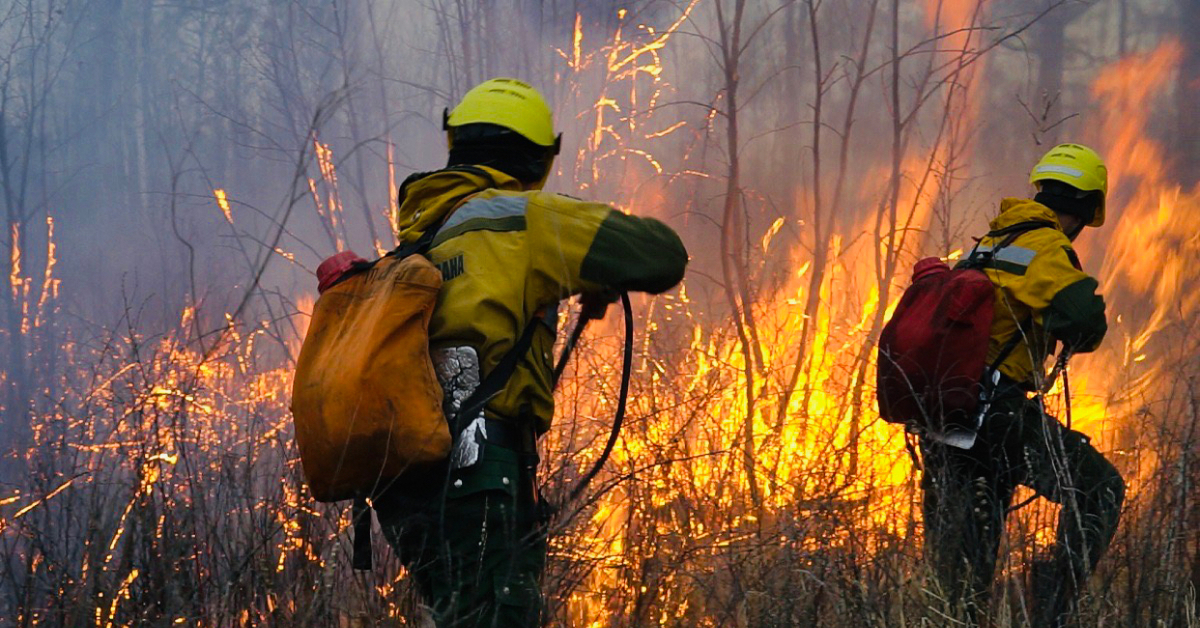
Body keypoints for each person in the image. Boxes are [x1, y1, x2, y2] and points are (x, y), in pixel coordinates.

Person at [371, 78, 688, 627]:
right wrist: (590, 265)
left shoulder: (421, 237)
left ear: (457, 145)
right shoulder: (522, 217)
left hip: (403, 483)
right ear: (538, 158)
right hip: (479, 468)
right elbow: (662, 255)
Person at [919, 143, 1126, 627]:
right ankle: (1049, 608)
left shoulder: (987, 243)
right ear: (1088, 208)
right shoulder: (1046, 245)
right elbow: (1086, 323)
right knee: (1099, 489)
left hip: (947, 417)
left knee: (963, 573)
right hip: (997, 414)